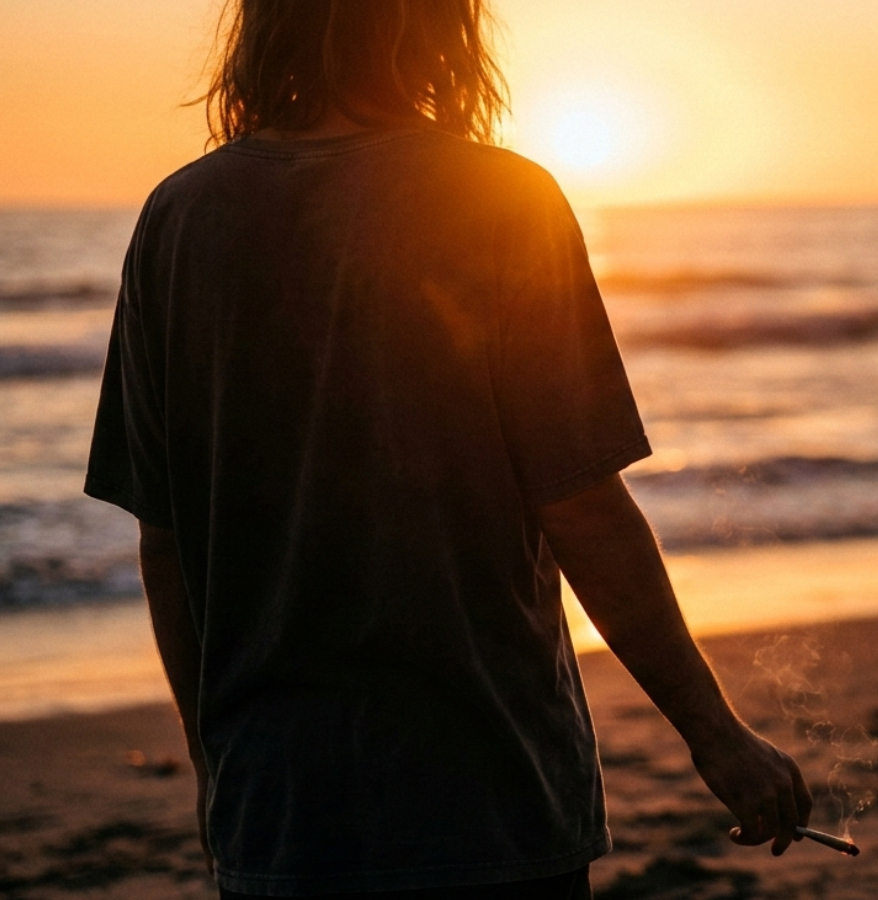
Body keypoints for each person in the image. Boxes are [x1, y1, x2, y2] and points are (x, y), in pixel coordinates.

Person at [83, 1, 811, 896]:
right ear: (433, 25)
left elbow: (165, 540)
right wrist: (716, 734)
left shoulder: (179, 218)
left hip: (278, 814)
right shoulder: (502, 200)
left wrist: (215, 768)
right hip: (486, 794)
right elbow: (580, 505)